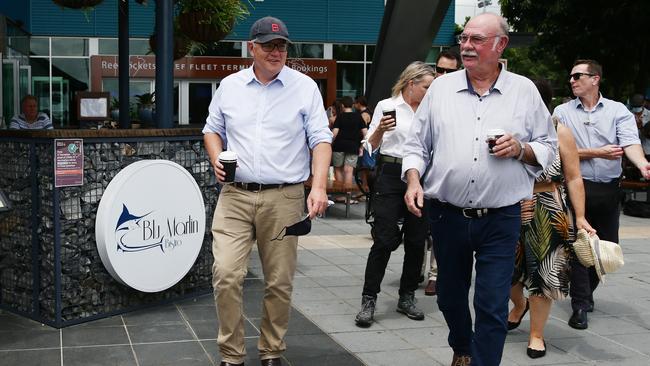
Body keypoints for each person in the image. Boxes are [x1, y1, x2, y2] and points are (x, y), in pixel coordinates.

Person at [402, 13, 557, 366]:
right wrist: (413, 179)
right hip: (446, 214)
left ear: (500, 45)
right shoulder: (441, 88)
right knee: (449, 298)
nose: (467, 46)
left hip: (500, 217)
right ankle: (462, 346)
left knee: (491, 302)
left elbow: (549, 147)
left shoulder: (525, 91)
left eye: (476, 40)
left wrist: (521, 149)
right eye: (464, 39)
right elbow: (416, 145)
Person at [202, 16, 332, 366]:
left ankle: (271, 350)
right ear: (252, 48)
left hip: (284, 197)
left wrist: (317, 186)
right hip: (235, 195)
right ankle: (232, 355)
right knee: (226, 275)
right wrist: (216, 158)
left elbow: (321, 139)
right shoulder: (229, 86)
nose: (277, 52)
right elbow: (212, 130)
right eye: (270, 45)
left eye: (282, 46)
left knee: (279, 281)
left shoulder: (304, 87)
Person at [553, 59, 650, 330]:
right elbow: (558, 151)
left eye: (577, 76)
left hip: (608, 189)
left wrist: (642, 164)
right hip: (576, 186)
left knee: (606, 249)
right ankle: (580, 305)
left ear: (595, 79)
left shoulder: (618, 111)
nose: (571, 80)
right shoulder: (561, 111)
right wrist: (597, 151)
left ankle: (587, 292)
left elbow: (629, 142)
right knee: (579, 244)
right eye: (570, 76)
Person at [507, 79, 595, 359]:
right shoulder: (506, 130)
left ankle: (536, 334)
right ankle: (519, 305)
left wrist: (579, 217)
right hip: (508, 204)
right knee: (505, 269)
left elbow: (573, 176)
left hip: (548, 207)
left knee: (544, 273)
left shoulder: (560, 131)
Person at [354, 61, 435, 328]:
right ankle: (369, 299)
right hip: (390, 173)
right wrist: (379, 130)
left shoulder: (431, 109)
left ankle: (407, 295)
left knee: (416, 239)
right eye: (427, 86)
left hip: (421, 177)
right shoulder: (386, 106)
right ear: (411, 84)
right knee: (384, 238)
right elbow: (369, 147)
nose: (430, 91)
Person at [423, 49, 461, 297]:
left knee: (439, 230)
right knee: (418, 231)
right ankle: (416, 269)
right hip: (421, 174)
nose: (443, 75)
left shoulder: (459, 99)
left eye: (449, 71)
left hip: (445, 178)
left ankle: (435, 274)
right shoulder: (427, 94)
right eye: (440, 70)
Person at [331, 96, 367, 188]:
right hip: (353, 146)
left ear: (342, 105)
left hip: (339, 146)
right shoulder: (358, 116)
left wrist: (329, 143)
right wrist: (361, 147)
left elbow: (334, 133)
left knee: (338, 169)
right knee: (349, 170)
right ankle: (347, 195)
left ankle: (340, 194)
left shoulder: (340, 117)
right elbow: (366, 134)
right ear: (352, 105)